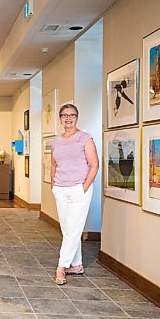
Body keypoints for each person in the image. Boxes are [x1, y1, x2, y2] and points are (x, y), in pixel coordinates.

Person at [51, 104, 99, 285]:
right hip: (61, 189)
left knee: (72, 230)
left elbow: (94, 165)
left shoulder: (85, 138)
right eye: (64, 115)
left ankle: (61, 267)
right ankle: (77, 264)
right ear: (60, 118)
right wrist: (54, 185)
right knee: (68, 230)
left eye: (72, 115)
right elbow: (54, 164)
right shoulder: (56, 141)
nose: (68, 118)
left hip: (79, 189)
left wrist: (84, 186)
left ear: (77, 117)